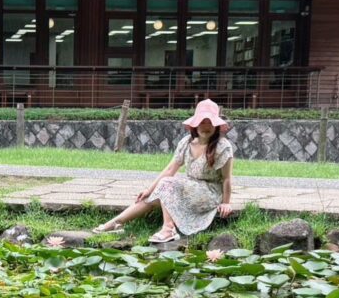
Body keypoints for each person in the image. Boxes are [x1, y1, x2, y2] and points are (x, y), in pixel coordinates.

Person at [93, 99, 235, 243]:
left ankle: (168, 229)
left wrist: (226, 203)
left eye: (210, 122)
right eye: (202, 122)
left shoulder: (223, 147)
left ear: (217, 125)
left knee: (167, 184)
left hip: (209, 193)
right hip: (190, 187)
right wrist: (149, 190)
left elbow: (227, 179)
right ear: (195, 124)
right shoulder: (186, 143)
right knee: (153, 195)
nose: (206, 126)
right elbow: (169, 169)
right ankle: (115, 223)